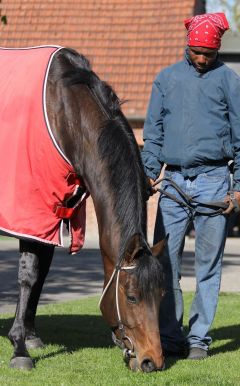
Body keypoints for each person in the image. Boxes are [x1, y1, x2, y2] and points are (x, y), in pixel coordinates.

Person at [141, 12, 240, 360]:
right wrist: (147, 174)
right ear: (188, 44)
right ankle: (169, 337)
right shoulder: (166, 80)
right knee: (164, 265)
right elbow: (152, 135)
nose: (201, 59)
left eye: (208, 54)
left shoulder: (230, 81)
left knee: (208, 266)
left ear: (217, 51)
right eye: (196, 51)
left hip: (215, 182)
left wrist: (238, 188)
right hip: (174, 184)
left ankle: (198, 338)